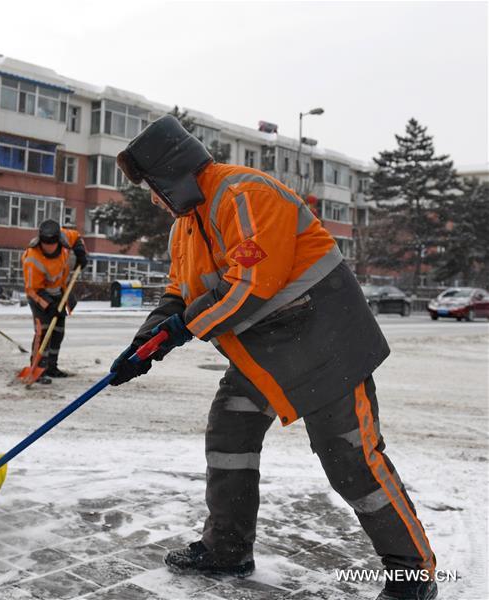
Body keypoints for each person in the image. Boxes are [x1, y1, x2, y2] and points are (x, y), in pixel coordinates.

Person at [109, 115, 437, 600]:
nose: (155, 200)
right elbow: (179, 294)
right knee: (229, 433)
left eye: (154, 188)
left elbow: (251, 285)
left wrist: (183, 328)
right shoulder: (185, 227)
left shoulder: (243, 193)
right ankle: (227, 549)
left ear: (171, 173)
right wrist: (144, 345)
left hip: (326, 348)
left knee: (351, 462)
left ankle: (413, 575)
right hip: (263, 357)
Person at [22, 219, 88, 383]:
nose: (49, 248)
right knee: (43, 332)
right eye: (45, 244)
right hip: (39, 295)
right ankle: (38, 369)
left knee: (58, 331)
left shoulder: (64, 238)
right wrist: (49, 306)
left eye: (52, 244)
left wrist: (80, 252)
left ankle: (51, 367)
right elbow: (32, 289)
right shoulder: (32, 259)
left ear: (58, 240)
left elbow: (76, 237)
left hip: (59, 291)